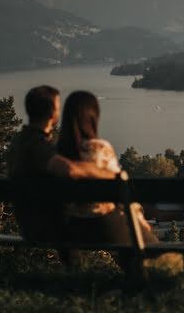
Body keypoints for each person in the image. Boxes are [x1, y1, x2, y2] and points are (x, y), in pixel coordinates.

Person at [7, 85, 116, 242]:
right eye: (58, 107)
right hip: (44, 228)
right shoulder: (36, 145)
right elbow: (69, 169)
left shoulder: (18, 141)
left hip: (27, 224)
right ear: (53, 113)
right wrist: (109, 174)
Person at [56, 90, 159, 246]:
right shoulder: (100, 148)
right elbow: (120, 189)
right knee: (153, 250)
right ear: (93, 116)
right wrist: (140, 219)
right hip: (103, 224)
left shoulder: (56, 154)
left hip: (72, 227)